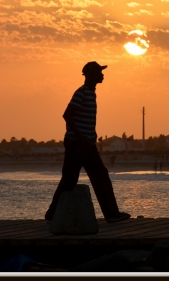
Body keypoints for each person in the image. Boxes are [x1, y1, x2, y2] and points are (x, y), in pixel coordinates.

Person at [45, 61, 131, 223]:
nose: (103, 75)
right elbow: (67, 115)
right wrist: (81, 137)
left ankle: (52, 214)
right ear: (91, 75)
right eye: (99, 72)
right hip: (78, 144)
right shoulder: (82, 92)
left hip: (84, 144)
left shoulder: (90, 93)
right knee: (94, 177)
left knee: (73, 179)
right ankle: (112, 215)